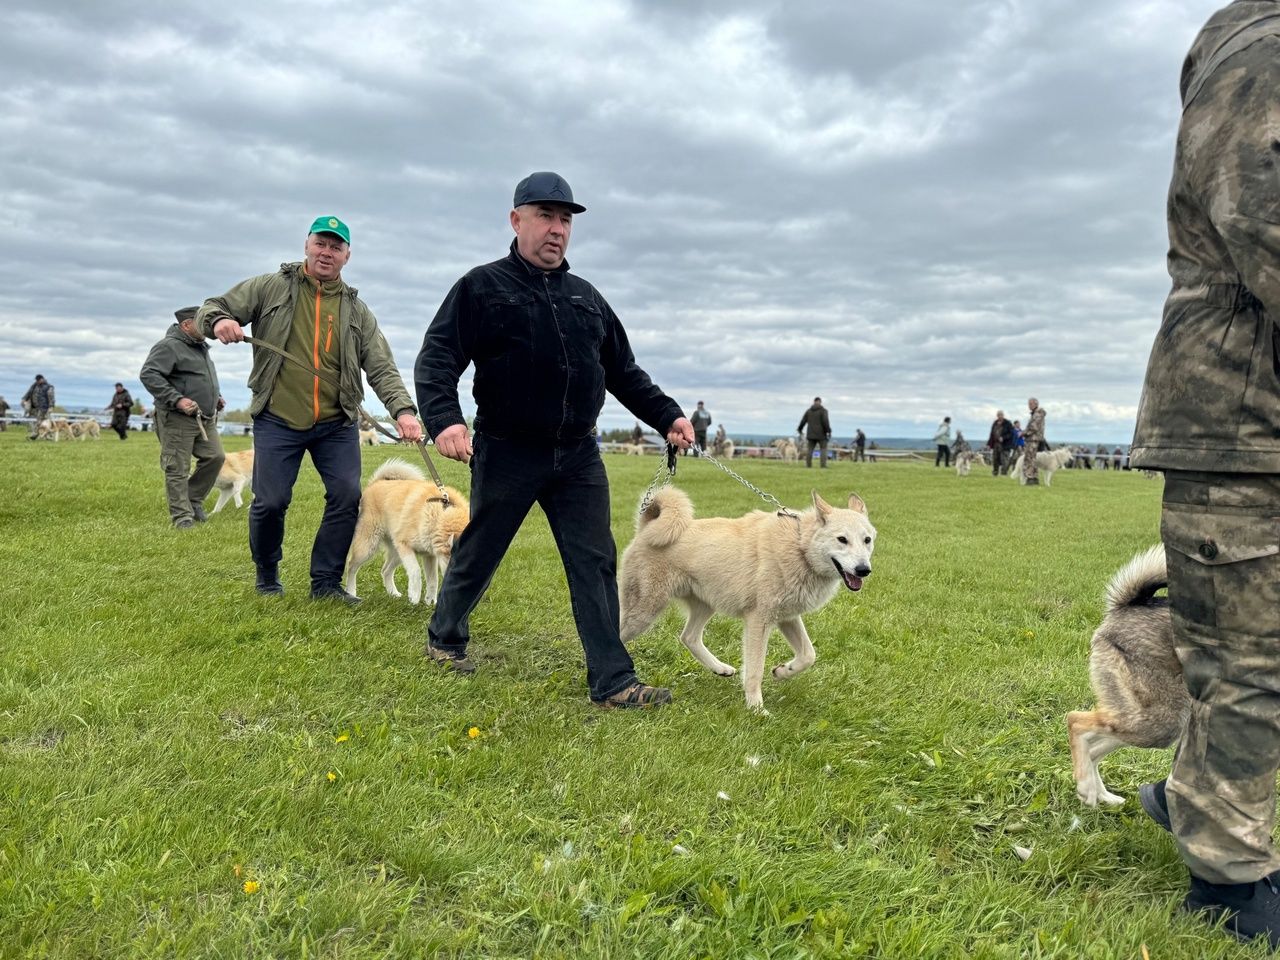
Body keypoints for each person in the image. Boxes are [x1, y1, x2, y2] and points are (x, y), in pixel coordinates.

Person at [415, 171, 693, 709]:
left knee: (594, 560)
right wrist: (445, 419)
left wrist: (668, 416)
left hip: (578, 455)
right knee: (480, 550)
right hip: (507, 448)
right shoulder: (481, 286)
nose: (556, 229)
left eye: (565, 219)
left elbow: (625, 372)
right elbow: (438, 357)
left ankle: (613, 681)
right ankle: (445, 635)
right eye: (545, 216)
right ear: (516, 220)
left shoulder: (586, 298)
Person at [1128, 4, 1280, 945]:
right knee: (1252, 663)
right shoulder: (1265, 50)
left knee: (1244, 655)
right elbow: (1264, 217)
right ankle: (1227, 880)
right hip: (1243, 417)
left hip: (1249, 415)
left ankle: (1192, 797)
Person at [200, 216, 422, 600]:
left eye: (336, 247)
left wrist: (403, 410)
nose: (327, 252)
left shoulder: (357, 311)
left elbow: (382, 366)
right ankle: (267, 575)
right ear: (307, 245)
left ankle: (326, 583)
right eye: (321, 243)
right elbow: (212, 306)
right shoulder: (269, 287)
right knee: (270, 501)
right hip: (278, 417)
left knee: (347, 496)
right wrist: (219, 320)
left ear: (347, 256)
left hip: (337, 423)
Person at [139, 308, 227, 528]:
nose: (207, 328)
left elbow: (199, 378)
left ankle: (192, 499)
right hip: (177, 417)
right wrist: (177, 399)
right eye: (202, 323)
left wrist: (216, 397)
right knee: (177, 467)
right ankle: (182, 517)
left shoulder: (200, 347)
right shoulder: (168, 346)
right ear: (187, 325)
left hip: (204, 417)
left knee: (215, 457)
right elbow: (149, 374)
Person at [797, 397, 832, 468]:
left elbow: (803, 421)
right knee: (823, 449)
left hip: (810, 434)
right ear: (820, 402)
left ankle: (808, 465)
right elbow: (825, 422)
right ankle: (823, 465)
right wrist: (828, 431)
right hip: (822, 434)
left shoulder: (808, 411)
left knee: (810, 450)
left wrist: (799, 429)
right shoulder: (824, 411)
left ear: (814, 402)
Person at [1021, 399, 1046, 485]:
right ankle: (1034, 478)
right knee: (1032, 459)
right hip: (1033, 439)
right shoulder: (1036, 413)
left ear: (1036, 404)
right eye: (1029, 404)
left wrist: (1023, 433)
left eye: (1031, 404)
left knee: (1029, 458)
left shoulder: (1037, 414)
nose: (1029, 405)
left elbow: (1033, 427)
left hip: (1033, 439)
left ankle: (1030, 477)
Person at [21, 374, 54, 439]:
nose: (37, 381)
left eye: (38, 380)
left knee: (41, 421)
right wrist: (24, 399)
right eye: (36, 380)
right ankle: (48, 436)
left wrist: (51, 406)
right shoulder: (34, 385)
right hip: (35, 407)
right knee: (43, 422)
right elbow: (29, 392)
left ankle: (35, 435)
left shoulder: (48, 387)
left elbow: (51, 398)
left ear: (42, 379)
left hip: (44, 407)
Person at [986, 410, 1014, 476]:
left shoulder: (1008, 423)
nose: (1000, 416)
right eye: (998, 415)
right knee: (995, 458)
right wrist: (989, 444)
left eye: (1001, 415)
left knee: (1004, 459)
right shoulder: (995, 423)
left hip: (1005, 445)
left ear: (1003, 415)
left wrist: (1003, 438)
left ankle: (1004, 473)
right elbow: (991, 434)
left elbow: (1011, 434)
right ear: (997, 416)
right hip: (996, 444)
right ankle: (995, 472)